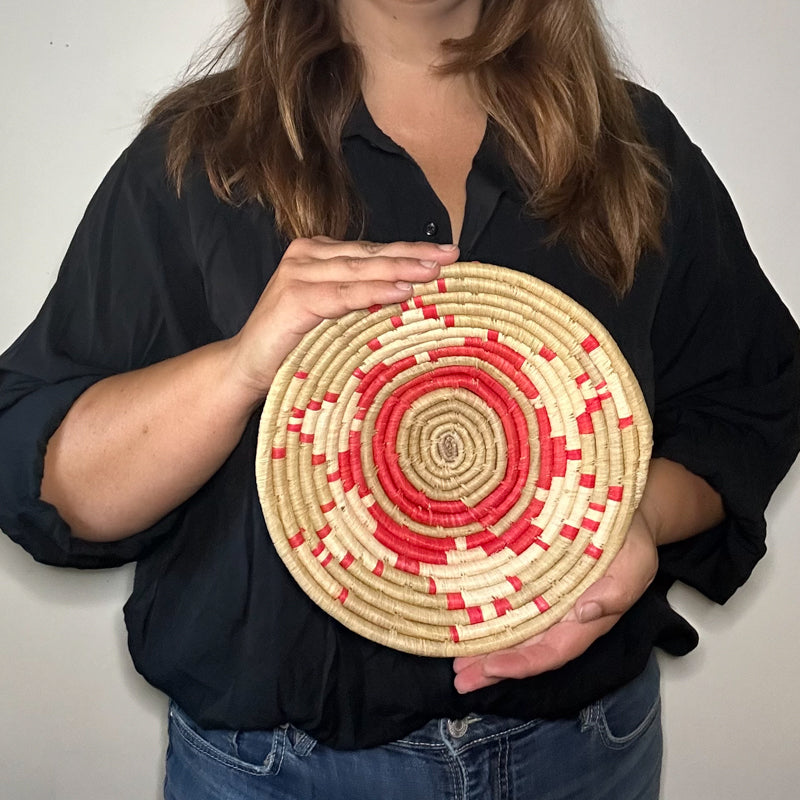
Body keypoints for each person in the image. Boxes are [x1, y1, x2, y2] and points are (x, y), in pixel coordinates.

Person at [1, 1, 798, 798]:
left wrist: (641, 520)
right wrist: (241, 367)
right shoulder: (197, 159)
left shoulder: (631, 143)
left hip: (581, 753)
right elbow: (53, 487)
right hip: (278, 772)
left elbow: (746, 401)